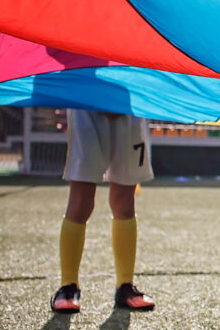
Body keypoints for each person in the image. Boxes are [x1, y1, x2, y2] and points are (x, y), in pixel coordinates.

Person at [51, 110, 155, 313]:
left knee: (124, 203)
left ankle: (125, 286)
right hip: (87, 106)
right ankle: (68, 286)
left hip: (128, 106)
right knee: (81, 202)